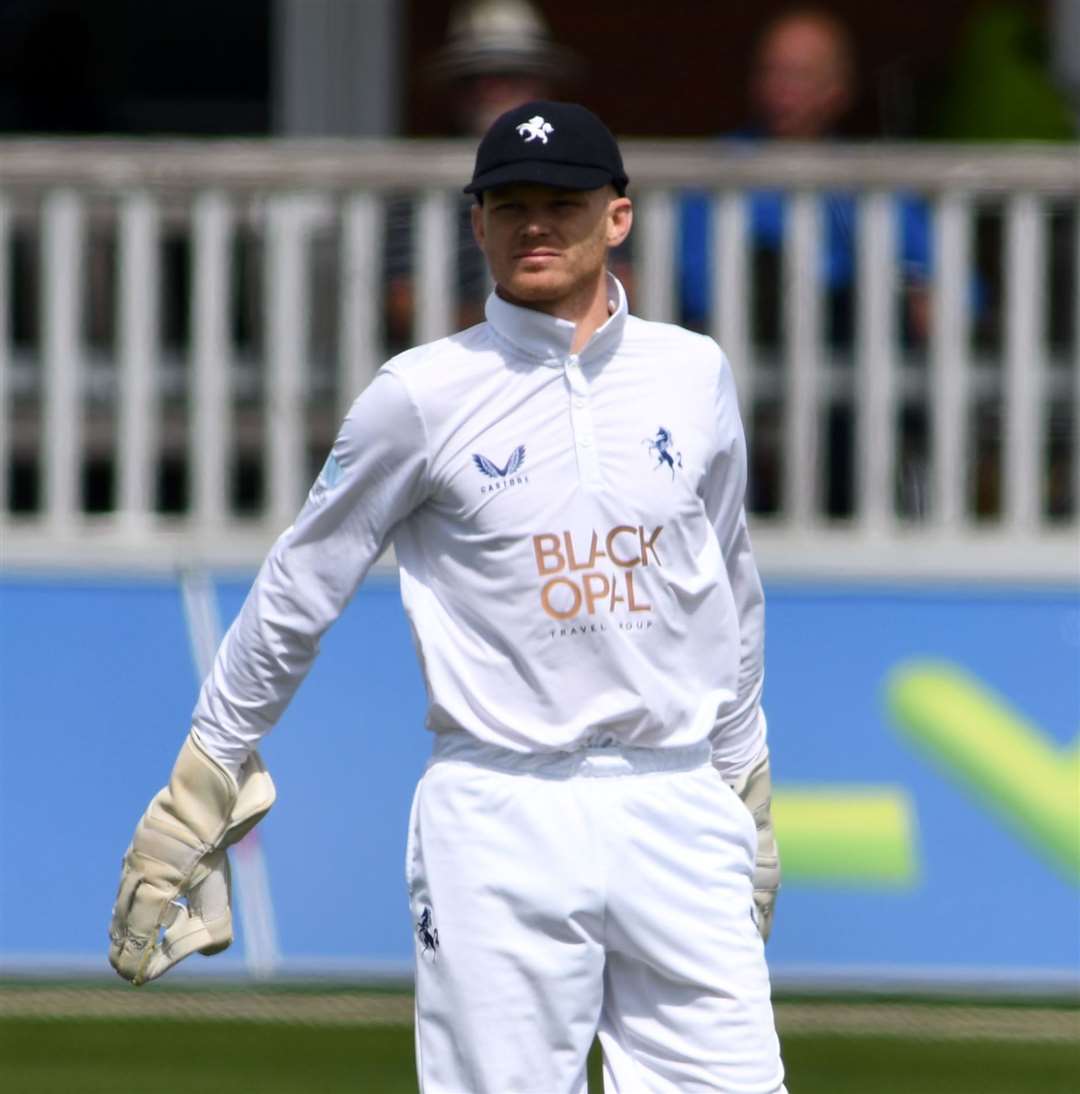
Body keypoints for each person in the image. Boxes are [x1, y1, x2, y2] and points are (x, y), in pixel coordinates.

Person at [109, 101, 787, 1093]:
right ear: (477, 224)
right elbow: (301, 584)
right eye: (509, 204)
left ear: (618, 216)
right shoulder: (420, 394)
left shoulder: (694, 374)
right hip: (500, 810)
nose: (535, 224)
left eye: (562, 201)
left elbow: (726, 587)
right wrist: (202, 777)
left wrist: (746, 782)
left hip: (679, 800)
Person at [680, 9, 933, 517]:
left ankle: (866, 513)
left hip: (860, 362)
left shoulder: (873, 179)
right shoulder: (713, 171)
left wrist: (927, 295)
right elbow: (696, 288)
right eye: (770, 72)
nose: (781, 88)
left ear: (837, 89)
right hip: (745, 355)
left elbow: (948, 287)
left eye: (799, 75)